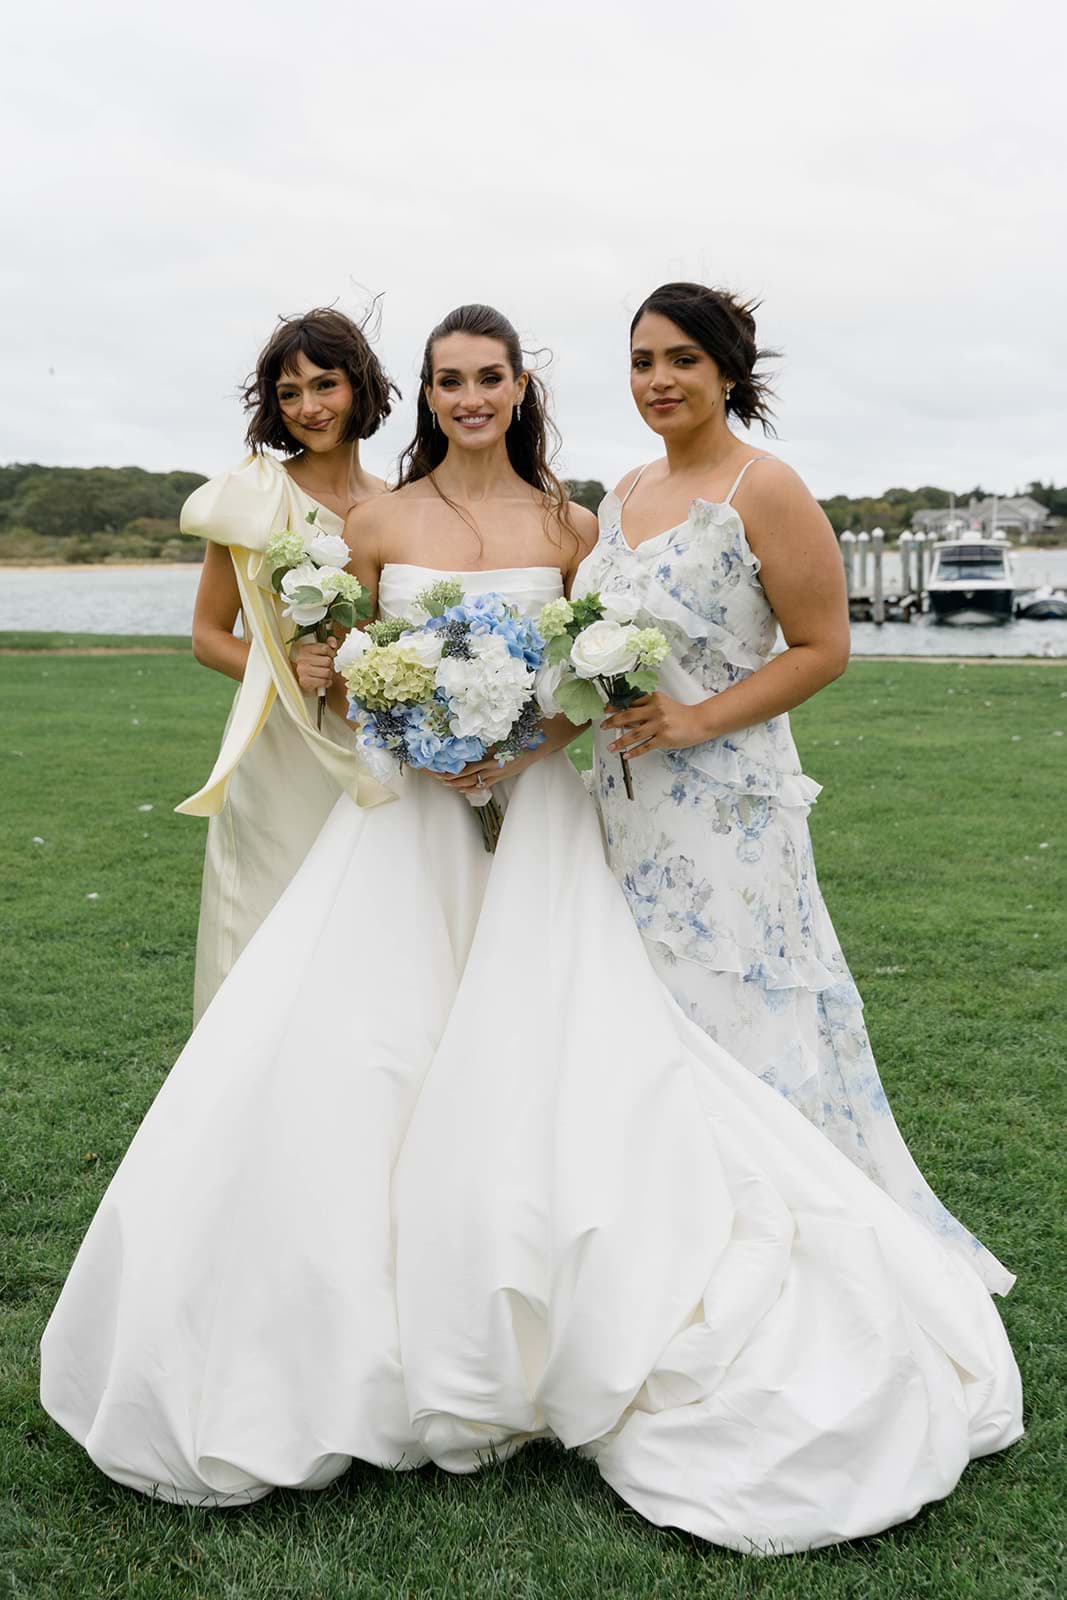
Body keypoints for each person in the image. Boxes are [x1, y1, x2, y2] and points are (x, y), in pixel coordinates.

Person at [40, 305, 1022, 1554]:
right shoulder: (373, 526)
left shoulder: (574, 526)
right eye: (447, 379)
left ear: (518, 389)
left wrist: (516, 740)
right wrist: (384, 704)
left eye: (488, 377)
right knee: (366, 1045)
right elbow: (331, 667)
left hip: (548, 815)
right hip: (406, 819)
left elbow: (589, 680)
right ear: (426, 394)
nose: (467, 397)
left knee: (548, 1040)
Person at [579, 281, 1012, 1293]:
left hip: (727, 807)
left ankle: (772, 1240)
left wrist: (694, 720)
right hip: (621, 806)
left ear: (728, 370)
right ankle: (663, 1234)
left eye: (681, 359)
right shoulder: (621, 493)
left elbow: (822, 647)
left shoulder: (763, 488)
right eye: (641, 361)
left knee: (731, 1003)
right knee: (643, 1013)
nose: (658, 380)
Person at [180, 307, 397, 1021]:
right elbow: (208, 636)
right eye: (289, 393)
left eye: (325, 384)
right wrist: (283, 672)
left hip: (371, 742)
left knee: (365, 927)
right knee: (267, 920)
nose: (308, 407)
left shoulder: (398, 504)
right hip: (279, 746)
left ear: (359, 385)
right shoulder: (253, 497)